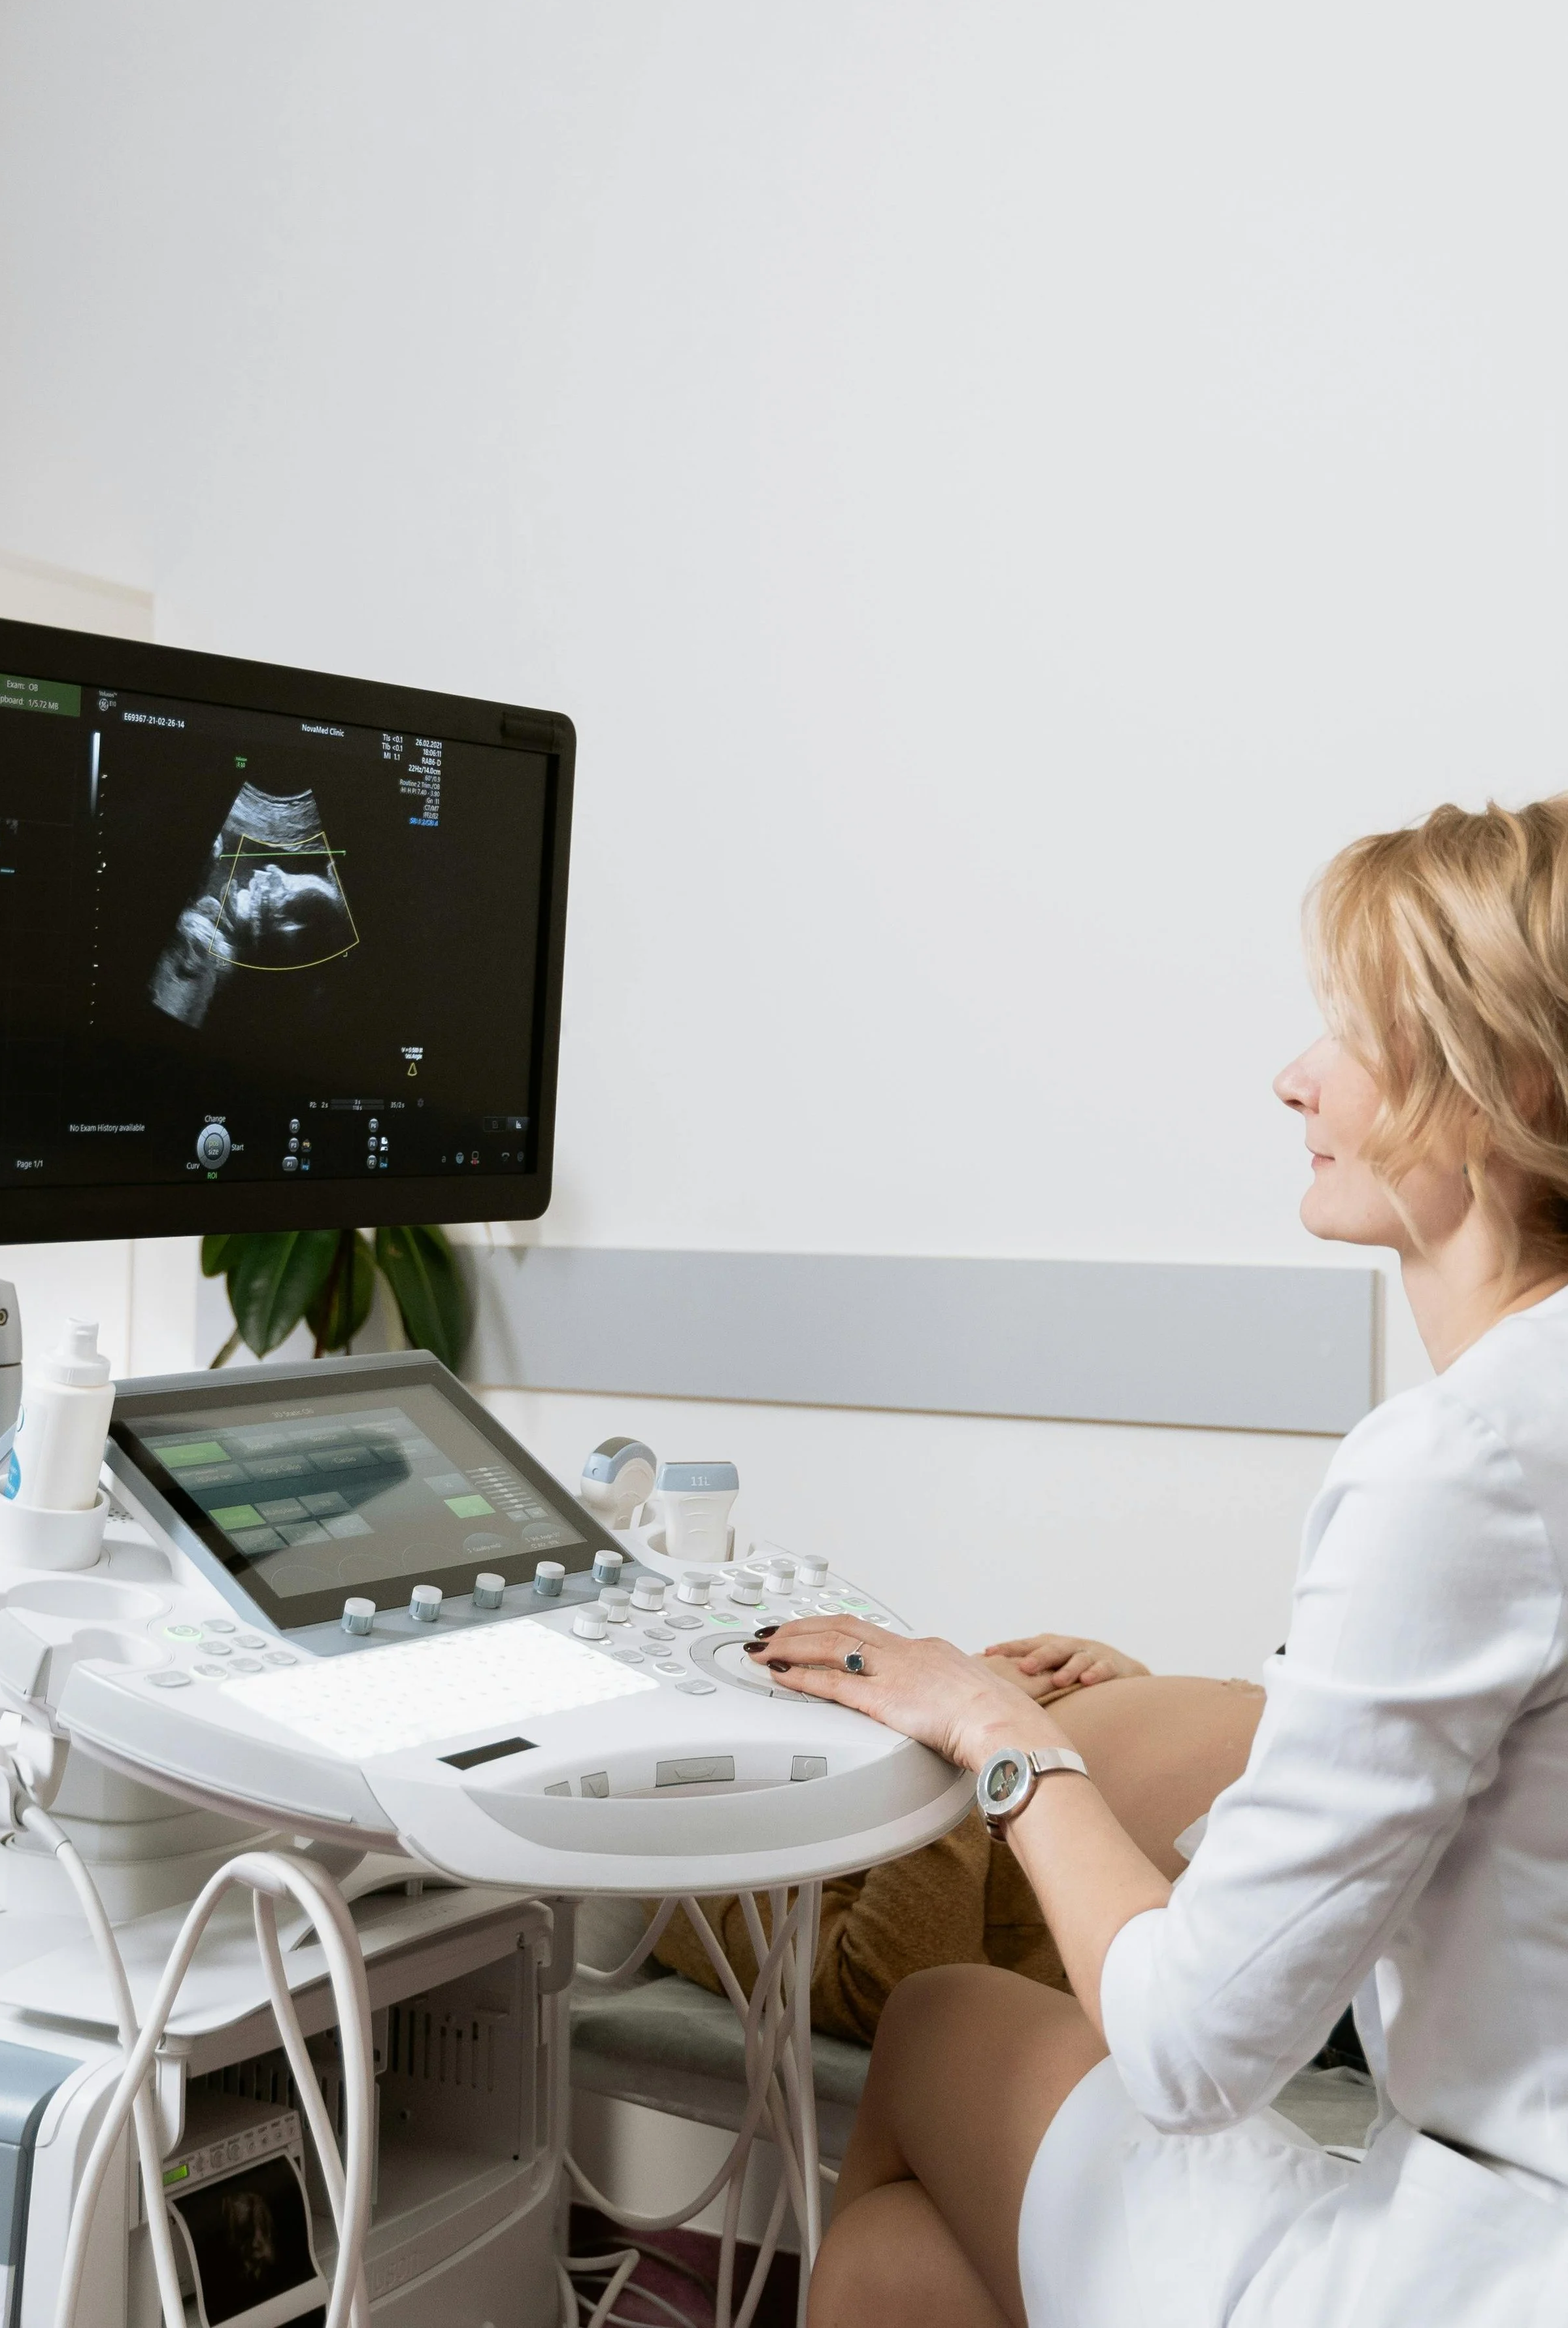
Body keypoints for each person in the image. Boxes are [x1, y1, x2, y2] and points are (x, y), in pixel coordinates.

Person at [751, 798, 1568, 2326]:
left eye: (1350, 1028)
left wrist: (998, 1725)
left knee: (933, 2023)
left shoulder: (1460, 1458)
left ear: (1507, 1082)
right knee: (898, 2262)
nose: (1293, 1075)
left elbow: (1194, 2050)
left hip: (1477, 2261)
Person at [652, 1640, 1264, 2042]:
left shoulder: (814, 1713)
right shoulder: (683, 1867)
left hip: (1293, 1748)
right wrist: (963, 1743)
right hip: (1291, 1863)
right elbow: (893, 1986)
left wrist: (1111, 1681)